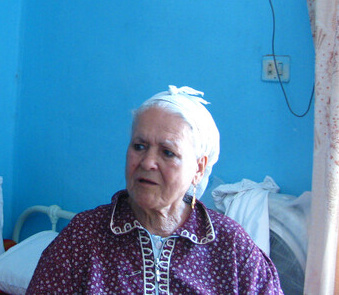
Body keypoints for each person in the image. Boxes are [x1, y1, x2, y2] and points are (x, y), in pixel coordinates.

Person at [27, 86, 284, 294]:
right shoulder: (83, 237)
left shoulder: (231, 246)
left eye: (168, 152)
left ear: (198, 168)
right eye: (139, 146)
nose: (148, 162)